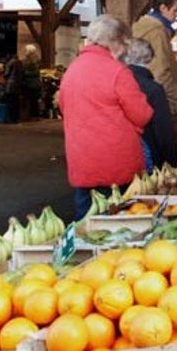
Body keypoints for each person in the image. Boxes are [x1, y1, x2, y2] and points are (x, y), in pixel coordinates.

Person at [59, 15, 153, 219]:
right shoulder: (117, 72)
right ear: (116, 42)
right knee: (119, 227)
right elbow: (142, 115)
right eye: (125, 43)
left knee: (87, 225)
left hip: (82, 162)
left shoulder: (72, 71)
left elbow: (63, 107)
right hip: (116, 165)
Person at [132, 0, 177, 142]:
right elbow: (161, 72)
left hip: (141, 98)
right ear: (163, 8)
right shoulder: (157, 32)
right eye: (174, 10)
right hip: (157, 102)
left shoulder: (139, 28)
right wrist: (175, 102)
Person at [126, 38, 177, 168]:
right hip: (150, 157)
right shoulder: (153, 89)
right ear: (150, 58)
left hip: (123, 155)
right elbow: (163, 130)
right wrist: (172, 162)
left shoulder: (118, 83)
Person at [22, 44, 42, 119]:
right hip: (33, 83)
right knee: (33, 100)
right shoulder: (34, 59)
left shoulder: (33, 60)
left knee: (32, 100)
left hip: (32, 83)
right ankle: (33, 115)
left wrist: (24, 73)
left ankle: (33, 115)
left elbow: (36, 72)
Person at [2, 54, 23, 122]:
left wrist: (2, 75)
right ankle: (16, 118)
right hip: (18, 84)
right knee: (16, 102)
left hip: (11, 85)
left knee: (10, 102)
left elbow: (6, 74)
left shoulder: (10, 63)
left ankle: (10, 118)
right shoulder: (20, 62)